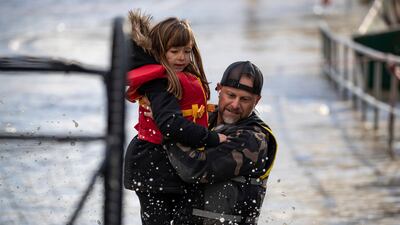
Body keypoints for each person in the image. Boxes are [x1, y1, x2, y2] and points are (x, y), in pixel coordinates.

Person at [123, 10, 226, 225]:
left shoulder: (184, 78)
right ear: (160, 51)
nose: (182, 57)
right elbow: (170, 125)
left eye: (187, 51)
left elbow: (191, 114)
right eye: (174, 51)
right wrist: (212, 139)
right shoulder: (159, 84)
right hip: (153, 164)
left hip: (178, 162)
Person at [163, 61, 278, 225]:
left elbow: (195, 168)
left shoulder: (253, 139)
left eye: (245, 99)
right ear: (218, 89)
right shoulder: (202, 119)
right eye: (230, 95)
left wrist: (167, 126)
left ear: (257, 101)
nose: (235, 105)